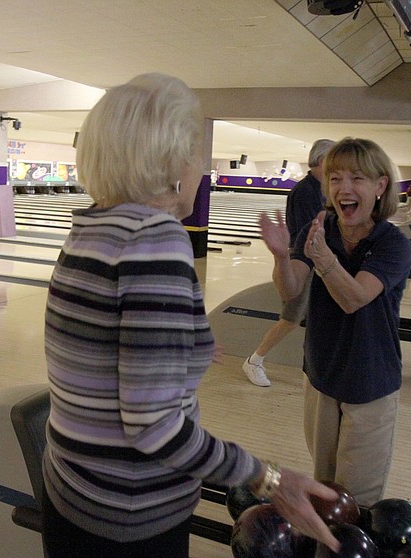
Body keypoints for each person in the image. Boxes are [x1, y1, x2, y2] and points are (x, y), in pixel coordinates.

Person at [41, 73, 340, 558]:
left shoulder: (90, 227)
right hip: (129, 515)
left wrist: (182, 346)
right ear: (175, 163)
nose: (202, 165)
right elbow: (153, 428)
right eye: (199, 151)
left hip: (74, 491)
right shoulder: (154, 240)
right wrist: (268, 479)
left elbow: (97, 348)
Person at [258, 137, 411, 507]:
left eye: (357, 178)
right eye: (335, 178)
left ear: (380, 186)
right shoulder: (319, 230)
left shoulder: (393, 243)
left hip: (370, 382)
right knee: (324, 487)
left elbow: (355, 298)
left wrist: (324, 259)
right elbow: (291, 289)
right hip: (322, 376)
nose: (344, 188)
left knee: (355, 501)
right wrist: (281, 258)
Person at [242, 139, 335, 387]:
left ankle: (314, 367)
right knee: (292, 317)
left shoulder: (323, 187)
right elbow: (306, 233)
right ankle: (254, 361)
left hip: (318, 258)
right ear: (321, 160)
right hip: (301, 260)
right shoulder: (305, 190)